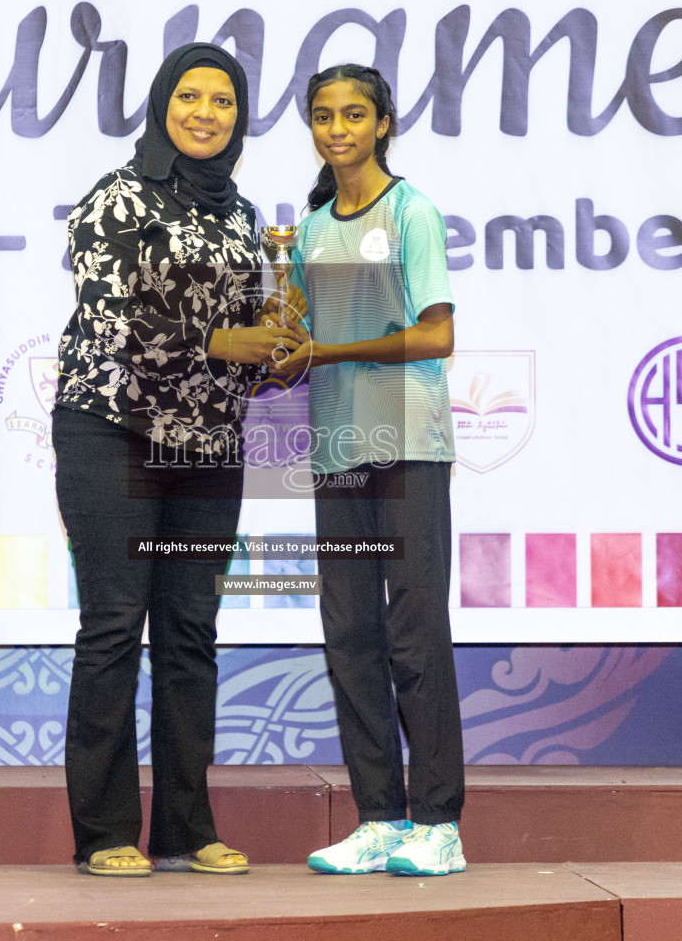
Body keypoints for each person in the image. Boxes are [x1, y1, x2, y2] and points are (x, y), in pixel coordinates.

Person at [53, 43, 305, 877]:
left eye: (225, 100)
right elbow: (137, 330)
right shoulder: (116, 200)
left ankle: (188, 827)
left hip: (206, 444)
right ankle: (105, 832)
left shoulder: (238, 214)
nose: (207, 112)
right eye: (191, 96)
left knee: (192, 634)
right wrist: (240, 341)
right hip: (112, 430)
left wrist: (280, 356)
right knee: (116, 627)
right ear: (162, 104)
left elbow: (238, 343)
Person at [274, 64, 466, 876]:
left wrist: (330, 350)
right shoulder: (311, 228)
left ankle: (439, 825)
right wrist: (278, 340)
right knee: (350, 633)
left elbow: (435, 336)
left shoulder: (413, 213)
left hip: (409, 446)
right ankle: (380, 817)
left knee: (416, 633)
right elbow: (294, 343)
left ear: (384, 122)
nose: (337, 129)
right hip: (339, 451)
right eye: (323, 116)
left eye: (354, 114)